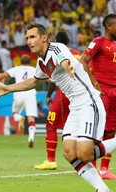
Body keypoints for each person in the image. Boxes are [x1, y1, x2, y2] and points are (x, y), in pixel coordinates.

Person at [0, 22, 116, 192]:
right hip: (75, 108)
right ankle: (103, 191)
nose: (29, 41)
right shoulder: (41, 62)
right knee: (69, 153)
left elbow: (64, 60)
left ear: (44, 38)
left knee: (85, 154)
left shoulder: (56, 48)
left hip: (88, 101)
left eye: (33, 37)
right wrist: (8, 89)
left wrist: (68, 66)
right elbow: (34, 82)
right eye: (27, 38)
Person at [79, 14, 116, 180]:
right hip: (101, 91)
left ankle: (105, 170)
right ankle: (94, 169)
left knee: (111, 129)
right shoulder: (98, 42)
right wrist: (94, 83)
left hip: (113, 92)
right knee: (98, 130)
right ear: (108, 27)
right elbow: (83, 61)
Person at [35, 31, 80, 170]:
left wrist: (49, 95)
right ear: (69, 41)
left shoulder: (55, 52)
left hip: (63, 94)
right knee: (77, 128)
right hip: (79, 93)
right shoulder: (78, 53)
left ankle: (50, 160)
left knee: (51, 125)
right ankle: (80, 156)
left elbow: (54, 76)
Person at [0, 54, 38, 148]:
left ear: (20, 61)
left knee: (15, 113)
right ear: (30, 61)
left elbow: (3, 75)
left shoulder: (17, 69)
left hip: (18, 92)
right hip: (31, 93)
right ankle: (31, 138)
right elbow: (45, 79)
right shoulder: (34, 69)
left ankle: (20, 118)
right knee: (31, 118)